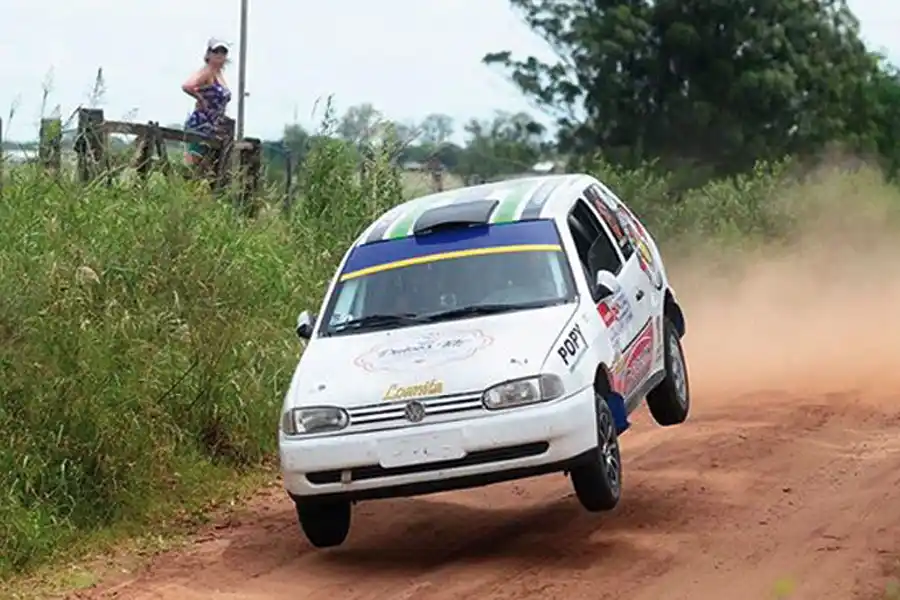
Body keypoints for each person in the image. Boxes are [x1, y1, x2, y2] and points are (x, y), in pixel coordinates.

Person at [181, 38, 233, 166]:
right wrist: (200, 98)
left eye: (223, 52)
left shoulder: (218, 74)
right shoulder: (207, 71)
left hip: (215, 127)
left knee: (211, 169)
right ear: (209, 54)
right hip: (202, 124)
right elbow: (187, 85)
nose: (220, 55)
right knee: (194, 166)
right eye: (216, 52)